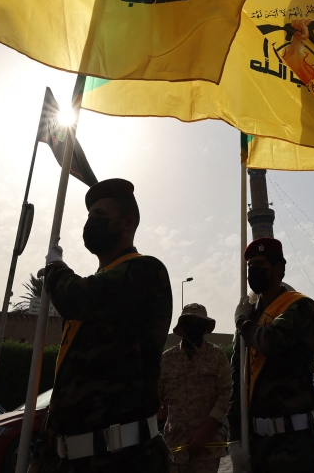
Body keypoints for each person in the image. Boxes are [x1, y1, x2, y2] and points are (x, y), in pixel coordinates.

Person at [32, 178, 173, 472]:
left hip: (124, 460)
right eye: (88, 216)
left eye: (99, 215)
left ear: (126, 223)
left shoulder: (146, 270)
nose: (90, 223)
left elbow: (77, 297)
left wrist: (56, 268)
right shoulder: (100, 284)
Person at [227, 238, 314, 473]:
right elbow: (238, 379)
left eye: (259, 263)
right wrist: (235, 438)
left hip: (295, 442)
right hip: (259, 445)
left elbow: (272, 341)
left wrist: (241, 321)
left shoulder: (301, 307)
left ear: (278, 268)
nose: (252, 271)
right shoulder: (251, 317)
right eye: (249, 266)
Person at [158, 303, 231, 473]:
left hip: (208, 446)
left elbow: (226, 395)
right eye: (189, 322)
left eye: (199, 323)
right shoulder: (167, 359)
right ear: (182, 327)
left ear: (206, 328)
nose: (194, 327)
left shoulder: (217, 357)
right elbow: (156, 398)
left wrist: (205, 431)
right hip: (175, 445)